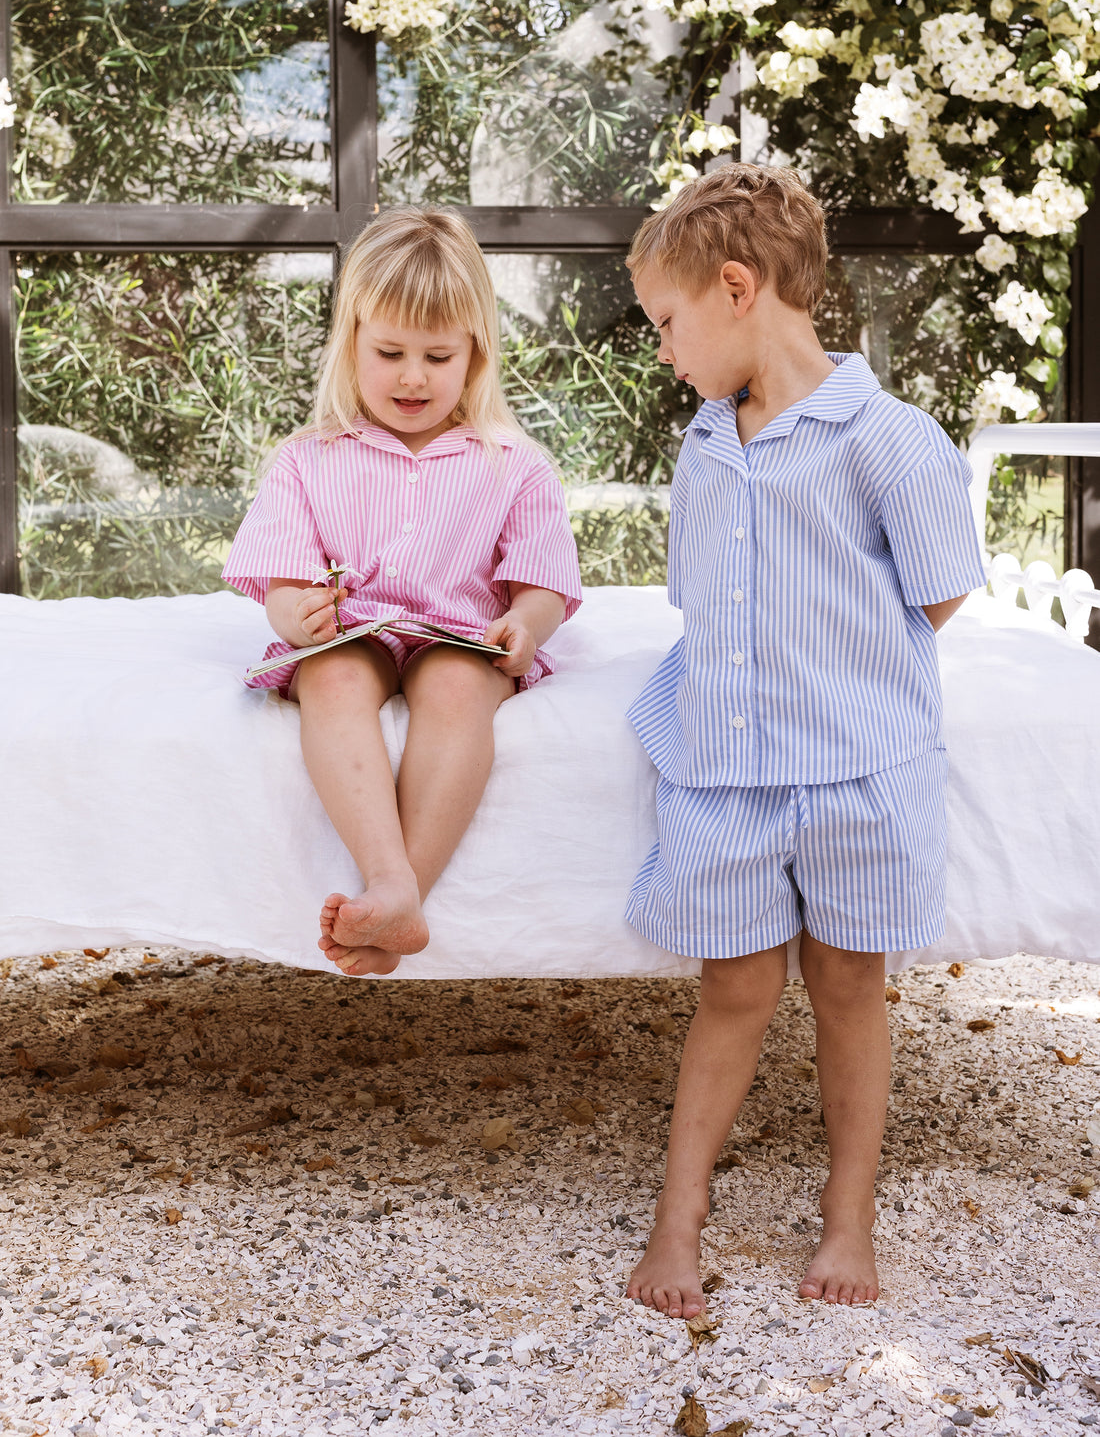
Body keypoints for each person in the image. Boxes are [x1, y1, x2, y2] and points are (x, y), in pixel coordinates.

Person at [622, 164, 986, 1316]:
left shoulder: (885, 437)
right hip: (726, 772)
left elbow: (933, 596)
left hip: (858, 773)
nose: (666, 352)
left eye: (668, 325)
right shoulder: (702, 440)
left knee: (845, 986)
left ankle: (847, 1219)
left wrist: (827, 671)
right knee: (729, 989)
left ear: (735, 289)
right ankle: (677, 1221)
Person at [222, 208, 582, 977]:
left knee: (457, 685)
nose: (412, 376)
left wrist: (524, 623)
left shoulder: (514, 463)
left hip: (459, 635)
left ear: (475, 355)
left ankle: (397, 900)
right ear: (350, 342)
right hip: (355, 631)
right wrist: (298, 614)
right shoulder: (307, 460)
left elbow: (544, 582)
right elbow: (281, 583)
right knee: (333, 675)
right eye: (389, 352)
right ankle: (391, 879)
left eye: (436, 355)